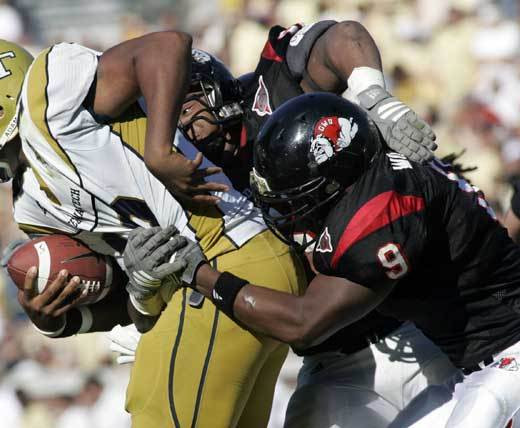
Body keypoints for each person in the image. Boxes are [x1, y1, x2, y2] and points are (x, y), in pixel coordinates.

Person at [0, 36, 305, 427]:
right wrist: (56, 319)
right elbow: (117, 295)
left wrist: (159, 150)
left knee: (152, 412)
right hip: (235, 272)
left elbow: (166, 47)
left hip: (223, 253)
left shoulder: (48, 96)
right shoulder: (31, 204)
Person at [130, 92, 520, 427]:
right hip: (474, 366)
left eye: (300, 196)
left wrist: (202, 277)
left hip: (509, 357)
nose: (294, 212)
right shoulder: (381, 178)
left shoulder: (385, 208)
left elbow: (304, 323)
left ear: (339, 174)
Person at [173, 22, 455, 427]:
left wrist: (375, 96)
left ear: (215, 92)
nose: (183, 130)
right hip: (334, 358)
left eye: (184, 110)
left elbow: (345, 37)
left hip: (420, 327)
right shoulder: (189, 180)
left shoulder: (273, 95)